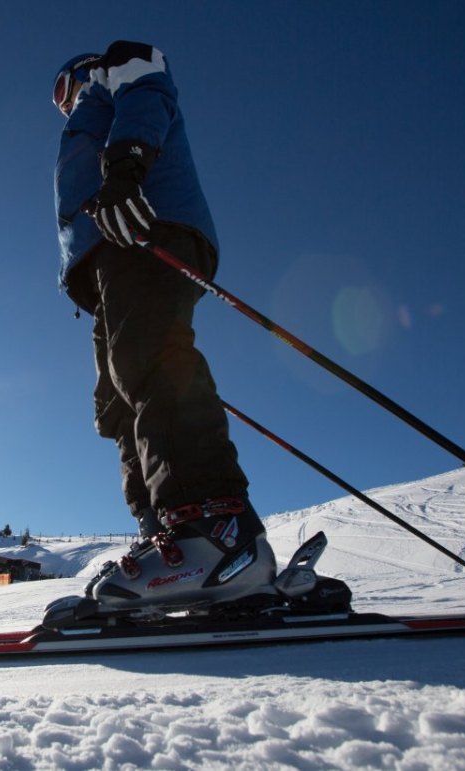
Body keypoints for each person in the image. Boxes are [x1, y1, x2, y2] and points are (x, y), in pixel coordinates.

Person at [52, 41, 277, 613]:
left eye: (63, 91)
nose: (64, 105)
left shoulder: (117, 67)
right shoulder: (87, 112)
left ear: (79, 72)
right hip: (106, 252)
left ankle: (216, 532)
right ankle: (167, 536)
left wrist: (126, 167)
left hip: (145, 221)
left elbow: (149, 95)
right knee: (116, 404)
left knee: (150, 361)